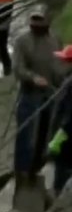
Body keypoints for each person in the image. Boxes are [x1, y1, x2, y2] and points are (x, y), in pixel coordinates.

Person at [11, 12, 66, 189]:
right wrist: (33, 78)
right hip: (29, 94)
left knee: (46, 131)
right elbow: (18, 68)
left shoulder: (55, 39)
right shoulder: (22, 41)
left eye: (40, 20)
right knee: (25, 133)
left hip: (51, 93)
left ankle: (38, 166)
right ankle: (21, 171)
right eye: (33, 19)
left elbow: (59, 63)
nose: (36, 23)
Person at [47, 44, 72, 195]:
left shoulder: (70, 85)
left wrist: (58, 136)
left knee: (62, 170)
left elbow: (69, 115)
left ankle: (58, 195)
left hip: (66, 139)